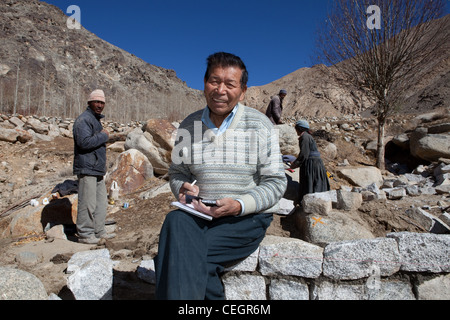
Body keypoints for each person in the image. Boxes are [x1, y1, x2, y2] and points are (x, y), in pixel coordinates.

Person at [155, 52, 287, 300]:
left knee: (187, 258)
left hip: (245, 219)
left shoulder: (260, 125)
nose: (220, 90)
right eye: (214, 81)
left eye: (230, 84)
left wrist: (239, 205)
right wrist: (181, 187)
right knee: (174, 222)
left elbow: (277, 182)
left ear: (243, 90)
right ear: (204, 83)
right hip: (200, 212)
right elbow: (177, 173)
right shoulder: (188, 125)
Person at [73, 89, 114, 244]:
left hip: (96, 168)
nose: (100, 105)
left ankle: (99, 230)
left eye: (102, 102)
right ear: (89, 102)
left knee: (101, 202)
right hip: (87, 167)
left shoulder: (94, 120)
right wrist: (104, 136)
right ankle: (85, 234)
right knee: (87, 203)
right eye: (97, 102)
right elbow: (84, 142)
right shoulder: (83, 120)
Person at [290, 120, 330, 204]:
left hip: (311, 163)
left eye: (296, 129)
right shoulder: (307, 136)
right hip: (315, 162)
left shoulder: (304, 137)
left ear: (299, 129)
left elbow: (304, 154)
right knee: (316, 181)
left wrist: (295, 164)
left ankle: (311, 202)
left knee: (310, 182)